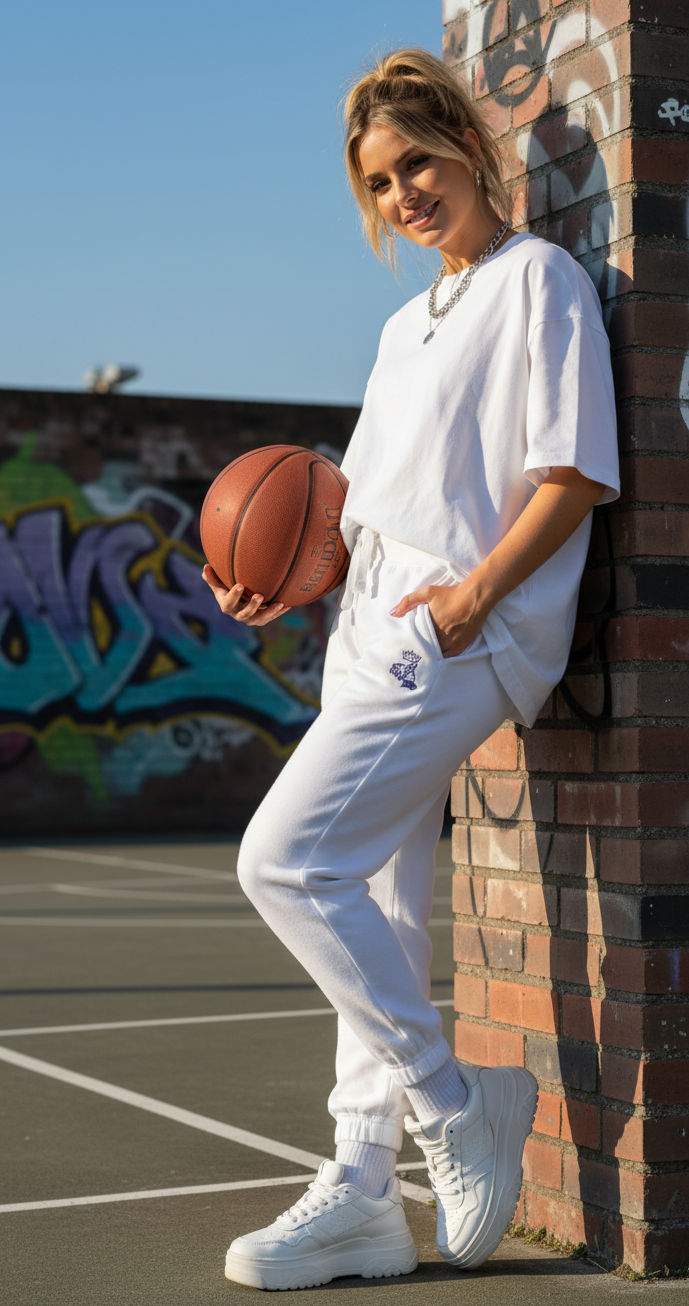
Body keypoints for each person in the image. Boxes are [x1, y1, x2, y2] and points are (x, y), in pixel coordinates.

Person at [203, 48, 620, 1292]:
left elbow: (576, 471)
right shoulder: (400, 327)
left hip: (458, 636)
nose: (402, 197)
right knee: (373, 904)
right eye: (378, 184)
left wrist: (470, 601)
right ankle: (362, 1190)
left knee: (281, 859)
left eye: (418, 165)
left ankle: (455, 1101)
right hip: (370, 631)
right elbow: (362, 514)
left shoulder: (536, 281)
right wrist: (278, 577)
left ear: (471, 150)